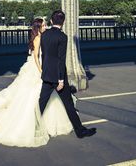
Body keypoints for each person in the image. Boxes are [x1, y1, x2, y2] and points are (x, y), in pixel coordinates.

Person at [0, 18, 75, 147]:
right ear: (38, 27)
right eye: (43, 25)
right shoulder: (38, 38)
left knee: (38, 96)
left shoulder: (41, 37)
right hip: (37, 69)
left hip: (35, 68)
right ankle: (34, 123)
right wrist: (41, 71)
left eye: (45, 24)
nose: (45, 27)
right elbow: (36, 57)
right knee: (36, 96)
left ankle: (38, 122)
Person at [39, 10, 97, 139]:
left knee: (41, 103)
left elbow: (44, 55)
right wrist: (60, 80)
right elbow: (61, 59)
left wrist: (45, 71)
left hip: (47, 74)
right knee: (69, 105)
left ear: (51, 21)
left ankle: (32, 128)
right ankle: (80, 131)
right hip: (58, 77)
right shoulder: (62, 37)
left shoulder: (44, 34)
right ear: (63, 22)